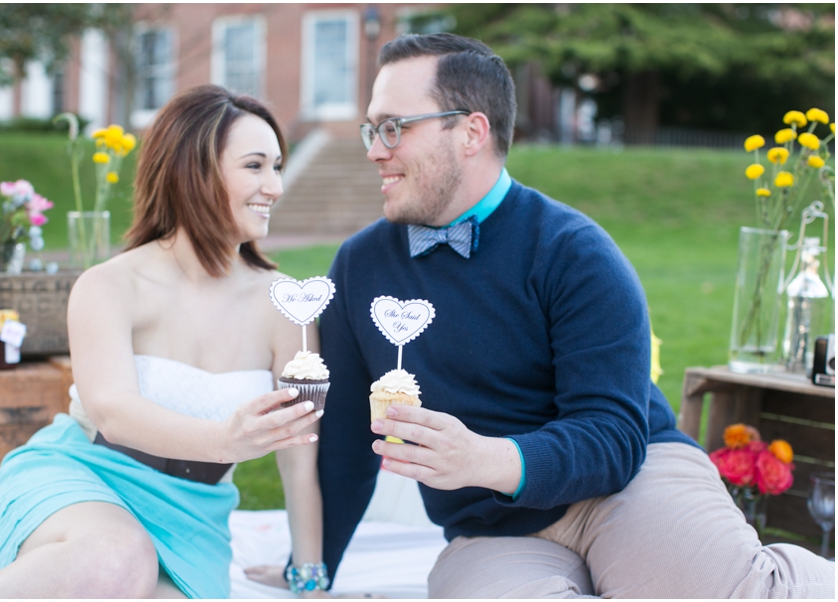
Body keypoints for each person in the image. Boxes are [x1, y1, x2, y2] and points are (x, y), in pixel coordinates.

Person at [316, 33, 835, 598]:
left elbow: (612, 438)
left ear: (471, 131)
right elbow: (345, 440)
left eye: (395, 127)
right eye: (373, 128)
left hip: (631, 483)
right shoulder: (359, 266)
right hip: (491, 526)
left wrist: (482, 457)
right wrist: (312, 571)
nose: (374, 148)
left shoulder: (572, 250)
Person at [0, 85, 329, 599]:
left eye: (277, 166)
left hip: (193, 516)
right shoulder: (110, 285)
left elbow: (298, 455)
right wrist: (227, 438)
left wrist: (308, 576)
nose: (275, 186)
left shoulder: (286, 302)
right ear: (193, 171)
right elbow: (113, 411)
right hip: (81, 481)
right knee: (118, 557)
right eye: (255, 166)